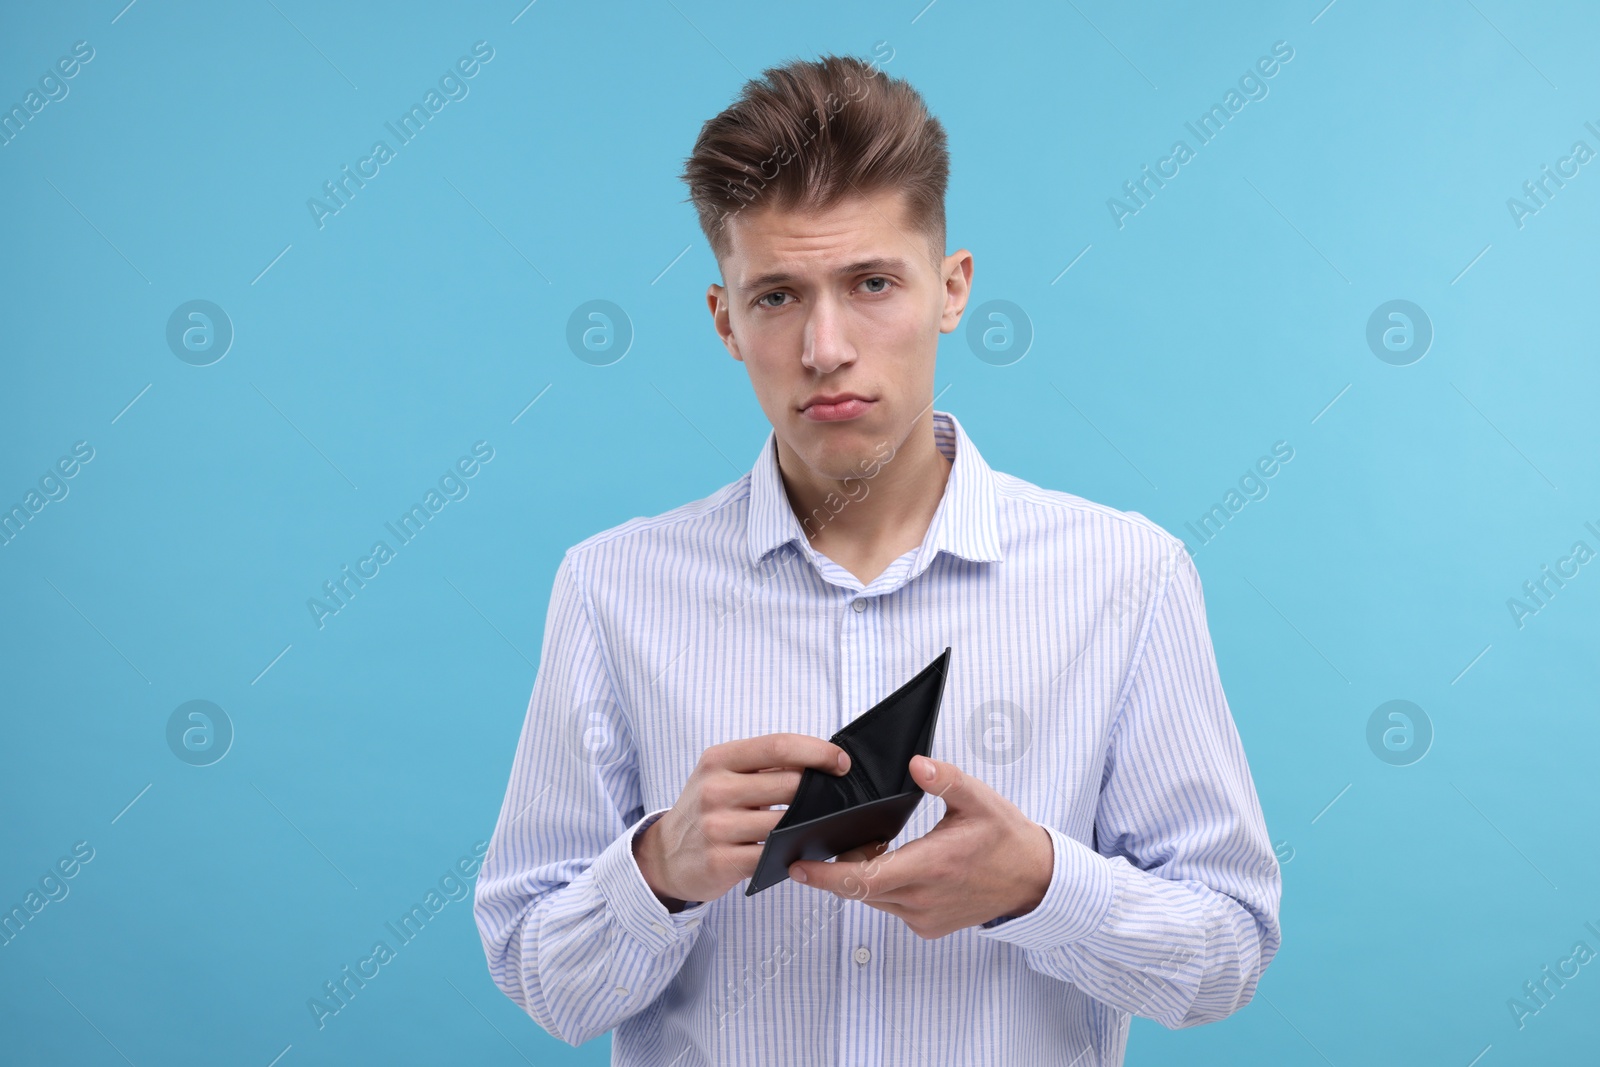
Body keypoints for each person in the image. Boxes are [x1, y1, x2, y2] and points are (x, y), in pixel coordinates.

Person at [474, 53, 1281, 1067]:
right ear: (724, 319)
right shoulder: (610, 589)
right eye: (775, 295)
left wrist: (1038, 883)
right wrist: (658, 870)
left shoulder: (1129, 577)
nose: (825, 345)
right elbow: (544, 983)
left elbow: (1227, 956)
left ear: (951, 290)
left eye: (870, 283)